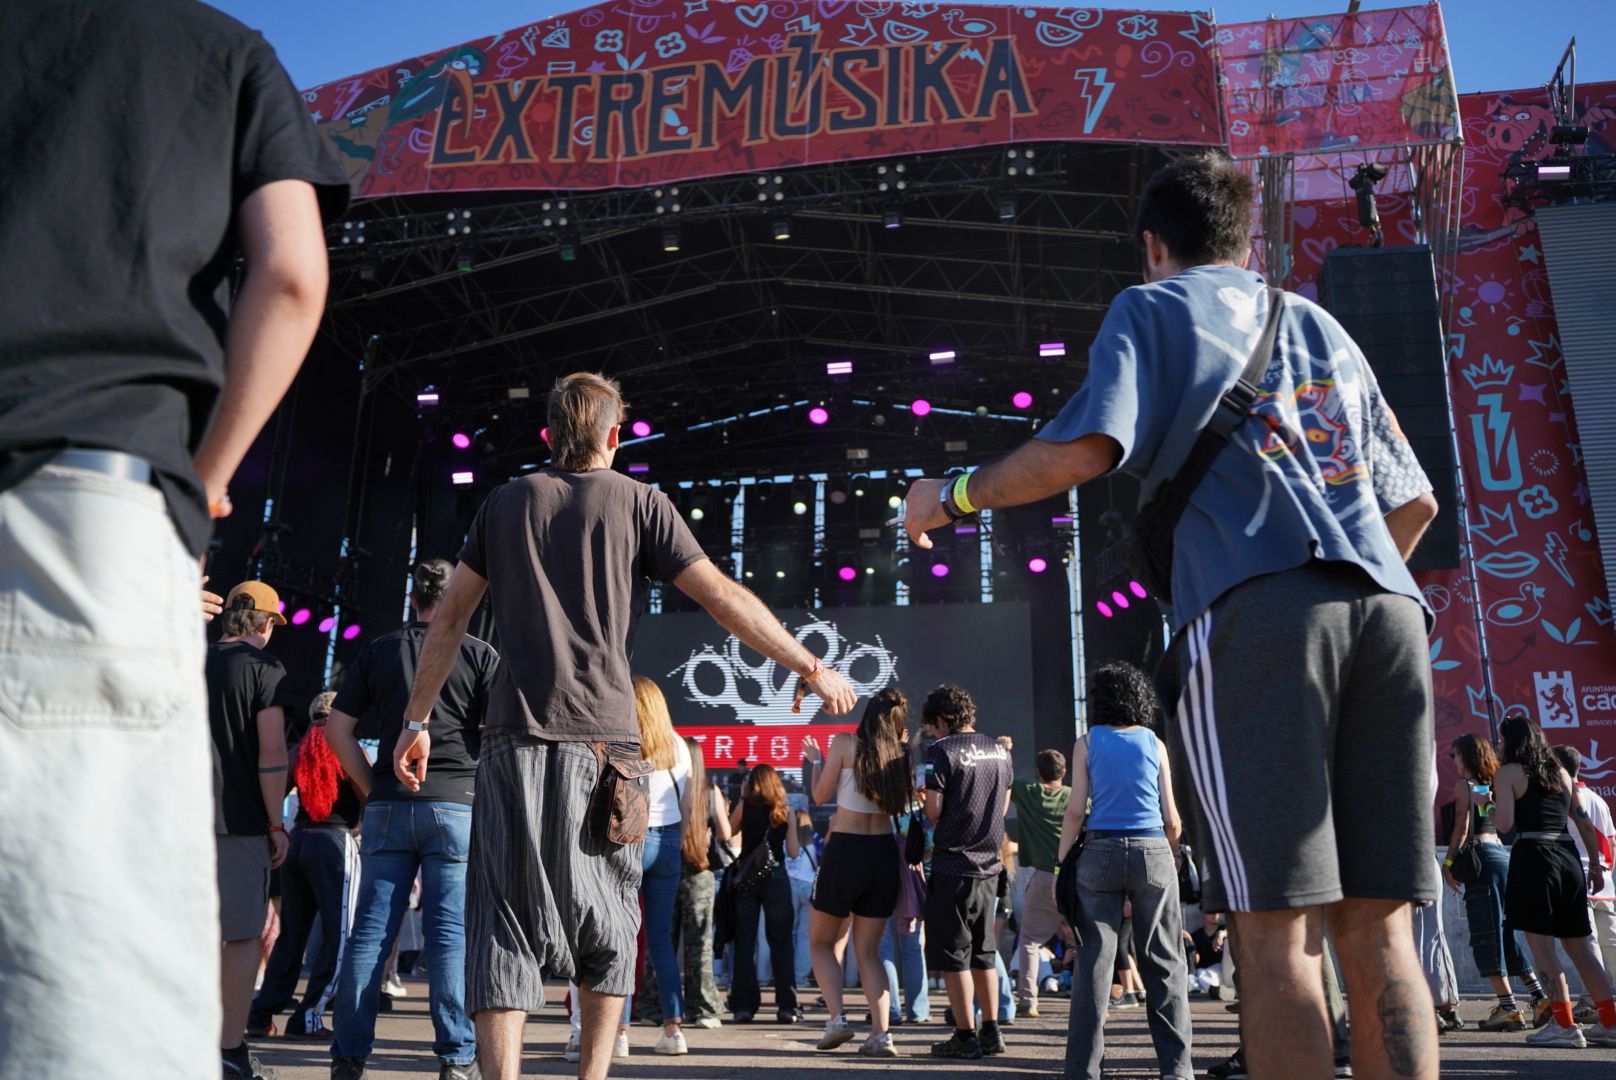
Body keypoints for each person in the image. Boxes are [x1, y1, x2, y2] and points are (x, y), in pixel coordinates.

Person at [902, 151, 1443, 1080]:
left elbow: (1084, 446)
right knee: (1381, 921)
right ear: (1245, 240)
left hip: (1259, 613)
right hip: (1391, 607)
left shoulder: (1150, 308)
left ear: (1154, 245)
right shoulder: (1317, 323)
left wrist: (949, 496)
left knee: (1274, 935)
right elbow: (1417, 504)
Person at [0, 3, 344, 1075]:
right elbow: (292, 275)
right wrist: (205, 480)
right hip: (86, 502)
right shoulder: (218, 51)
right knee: (91, 972)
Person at [392, 372, 856, 1080]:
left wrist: (415, 720)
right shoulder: (642, 504)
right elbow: (723, 599)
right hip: (610, 748)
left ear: (547, 435)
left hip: (511, 743)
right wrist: (808, 665)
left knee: (502, 929)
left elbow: (449, 617)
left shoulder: (504, 503)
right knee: (609, 919)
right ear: (616, 434)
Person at [325, 560, 500, 1080]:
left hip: (388, 805)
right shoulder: (479, 653)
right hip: (456, 804)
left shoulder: (380, 649)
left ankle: (348, 1057)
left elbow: (338, 729)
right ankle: (456, 1058)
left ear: (413, 600)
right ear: (459, 598)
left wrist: (370, 787)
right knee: (450, 933)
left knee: (370, 933)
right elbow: (495, 735)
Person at [1056, 662, 1191, 1080]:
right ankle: (1177, 1070)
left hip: (1099, 851)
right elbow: (1172, 818)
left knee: (1094, 964)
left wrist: (1063, 861)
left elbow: (1076, 809)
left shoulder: (1087, 742)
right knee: (1165, 962)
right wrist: (1165, 853)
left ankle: (1083, 1071)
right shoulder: (1154, 742)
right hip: (1153, 849)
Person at [207, 583, 298, 1077]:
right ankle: (226, 1050)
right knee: (240, 938)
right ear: (265, 624)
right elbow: (271, 755)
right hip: (239, 822)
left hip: (174, 818)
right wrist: (276, 823)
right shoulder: (266, 670)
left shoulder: (188, 659)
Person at [801, 689, 915, 1057]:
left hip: (846, 850)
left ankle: (837, 1019)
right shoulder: (899, 754)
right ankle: (882, 1036)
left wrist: (815, 762)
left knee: (820, 941)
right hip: (882, 853)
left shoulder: (845, 743)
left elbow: (819, 795)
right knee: (868, 951)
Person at [1493, 712, 1616, 1048]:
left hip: (1534, 856)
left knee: (1542, 947)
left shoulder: (1508, 773)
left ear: (1514, 742)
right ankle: (1610, 1022)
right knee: (1579, 945)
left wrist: (1487, 804)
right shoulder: (1561, 771)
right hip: (1569, 858)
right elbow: (1584, 820)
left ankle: (1564, 1025)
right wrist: (1596, 866)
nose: (1499, 746)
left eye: (1503, 740)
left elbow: (1503, 824)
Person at [247, 692, 364, 1039]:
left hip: (299, 841)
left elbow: (275, 794)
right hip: (335, 844)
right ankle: (308, 1015)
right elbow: (369, 793)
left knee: (291, 936)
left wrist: (275, 832)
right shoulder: (346, 746)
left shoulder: (300, 750)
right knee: (340, 936)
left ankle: (261, 1013)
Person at [919, 684, 1013, 1060]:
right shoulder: (1000, 751)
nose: (932, 732)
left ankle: (965, 1035)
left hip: (953, 864)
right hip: (990, 864)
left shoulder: (940, 752)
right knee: (983, 952)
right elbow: (1002, 807)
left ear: (942, 720)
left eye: (933, 725)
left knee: (954, 955)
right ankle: (991, 1032)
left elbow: (933, 811)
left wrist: (922, 796)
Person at [1443, 732, 1547, 1030]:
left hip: (1482, 861)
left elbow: (1461, 826)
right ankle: (1540, 997)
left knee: (1486, 933)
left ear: (1467, 756)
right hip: (1503, 857)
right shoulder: (1498, 782)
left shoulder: (1465, 785)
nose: (1454, 761)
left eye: (1455, 755)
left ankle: (1508, 1008)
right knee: (1506, 933)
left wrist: (1448, 864)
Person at [641, 737, 730, 1030]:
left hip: (665, 862)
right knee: (699, 944)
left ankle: (655, 1005)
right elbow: (726, 834)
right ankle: (702, 1008)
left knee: (661, 940)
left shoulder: (666, 786)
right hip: (699, 872)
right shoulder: (710, 792)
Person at [632, 676, 694, 1056]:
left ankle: (618, 1031)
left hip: (631, 841)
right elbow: (687, 810)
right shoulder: (679, 746)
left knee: (621, 940)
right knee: (660, 941)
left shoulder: (627, 738)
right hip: (669, 842)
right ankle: (673, 1031)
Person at [728, 764, 804, 1024]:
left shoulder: (746, 806)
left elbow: (728, 832)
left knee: (745, 943)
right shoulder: (784, 811)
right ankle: (786, 1007)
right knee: (781, 943)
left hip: (748, 878)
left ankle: (744, 1007)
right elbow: (793, 852)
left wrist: (741, 798)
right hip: (776, 877)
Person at [1551, 743, 1616, 1020]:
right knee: (1610, 943)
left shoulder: (1564, 799)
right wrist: (1606, 872)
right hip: (1605, 881)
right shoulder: (1598, 799)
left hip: (1581, 878)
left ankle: (1593, 1002)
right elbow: (1611, 841)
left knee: (1587, 943)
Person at [1010, 748, 1072, 1019]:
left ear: (1038, 772)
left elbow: (1007, 779)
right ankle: (1095, 1000)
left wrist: (1005, 751)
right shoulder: (1074, 797)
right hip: (1076, 877)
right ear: (1065, 772)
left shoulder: (1029, 792)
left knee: (1031, 940)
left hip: (1044, 876)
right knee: (1088, 940)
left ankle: (1028, 1000)